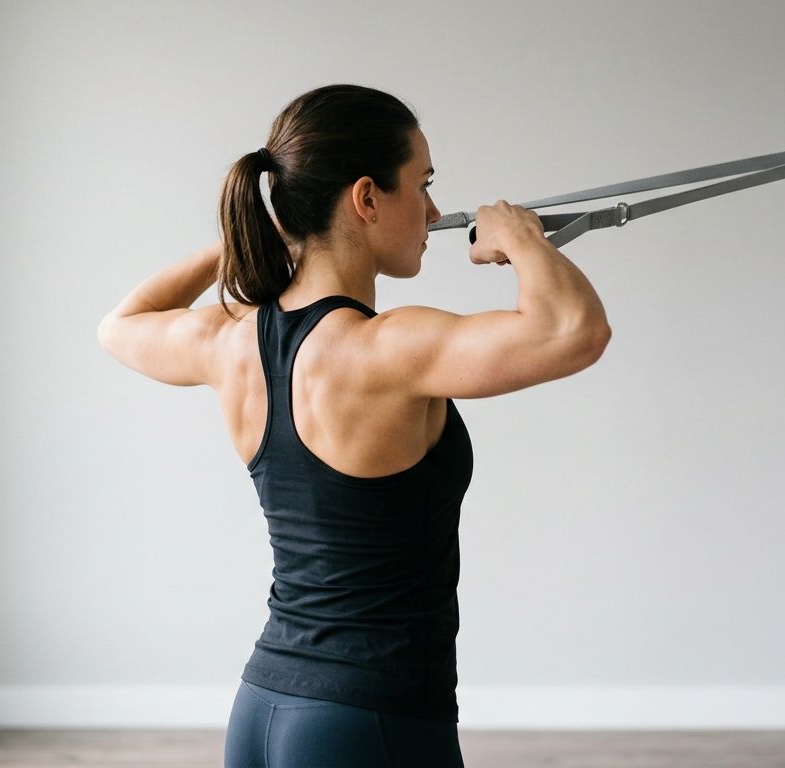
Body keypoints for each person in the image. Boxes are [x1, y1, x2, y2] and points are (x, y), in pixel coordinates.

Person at [97, 84, 610, 768]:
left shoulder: (229, 339)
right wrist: (521, 241)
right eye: (421, 186)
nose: (431, 212)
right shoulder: (386, 349)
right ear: (366, 199)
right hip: (371, 719)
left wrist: (242, 246)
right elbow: (574, 331)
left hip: (262, 710)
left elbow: (120, 326)